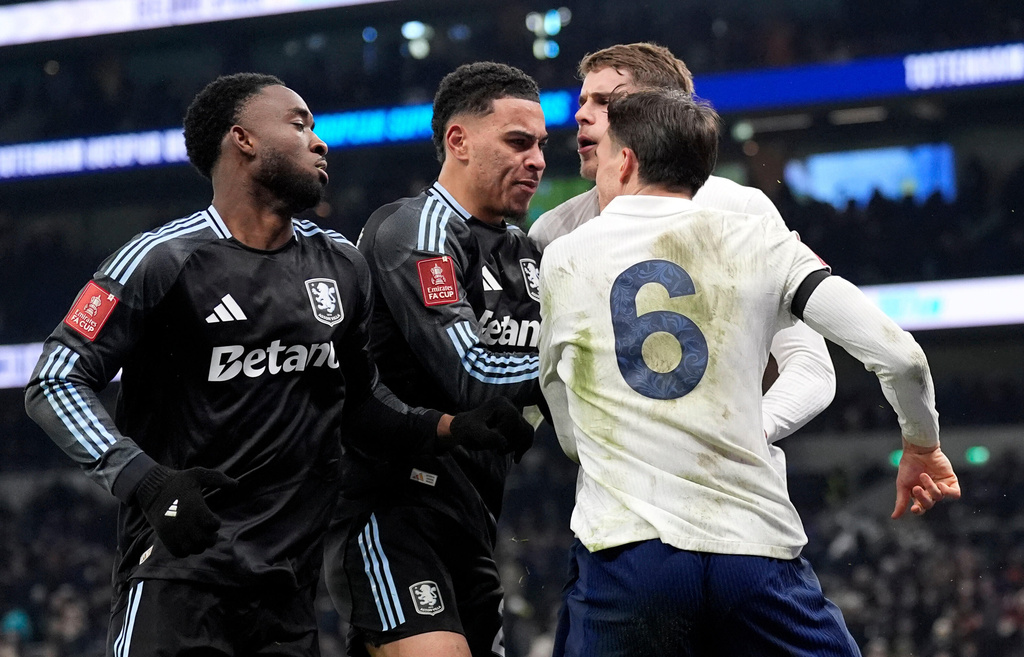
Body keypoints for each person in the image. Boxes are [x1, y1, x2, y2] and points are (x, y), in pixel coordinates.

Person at [23, 72, 532, 656]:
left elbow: (360, 403)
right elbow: (55, 377)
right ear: (242, 140)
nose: (319, 142)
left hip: (289, 598)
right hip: (176, 585)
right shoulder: (161, 259)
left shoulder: (340, 263)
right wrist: (145, 480)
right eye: (299, 124)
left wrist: (445, 428)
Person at [538, 88, 962, 656]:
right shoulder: (760, 239)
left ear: (627, 160)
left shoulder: (566, 254)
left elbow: (557, 395)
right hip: (753, 549)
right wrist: (922, 444)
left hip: (629, 551)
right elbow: (901, 356)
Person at [530, 42, 836, 480]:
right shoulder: (553, 235)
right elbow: (553, 384)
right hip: (620, 511)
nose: (581, 114)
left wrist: (745, 433)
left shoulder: (742, 212)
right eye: (583, 102)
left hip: (739, 500)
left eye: (605, 102)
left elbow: (811, 368)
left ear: (654, 112)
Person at [323, 61, 547, 657]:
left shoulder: (526, 252)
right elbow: (471, 372)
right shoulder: (416, 231)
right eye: (518, 143)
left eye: (542, 146)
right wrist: (585, 364)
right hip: (393, 507)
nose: (538, 161)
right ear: (459, 141)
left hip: (474, 515)